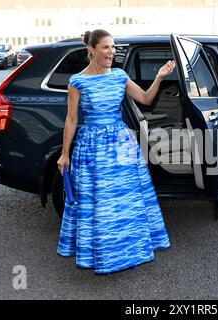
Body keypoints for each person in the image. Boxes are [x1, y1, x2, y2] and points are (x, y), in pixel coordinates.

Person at [57, 29, 174, 275]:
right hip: (92, 148)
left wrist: (160, 77)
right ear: (92, 50)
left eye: (113, 47)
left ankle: (127, 251)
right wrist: (65, 154)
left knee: (124, 200)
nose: (112, 51)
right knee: (99, 203)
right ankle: (103, 253)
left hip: (121, 143)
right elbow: (71, 119)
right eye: (106, 47)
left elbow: (144, 98)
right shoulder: (77, 81)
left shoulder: (119, 76)